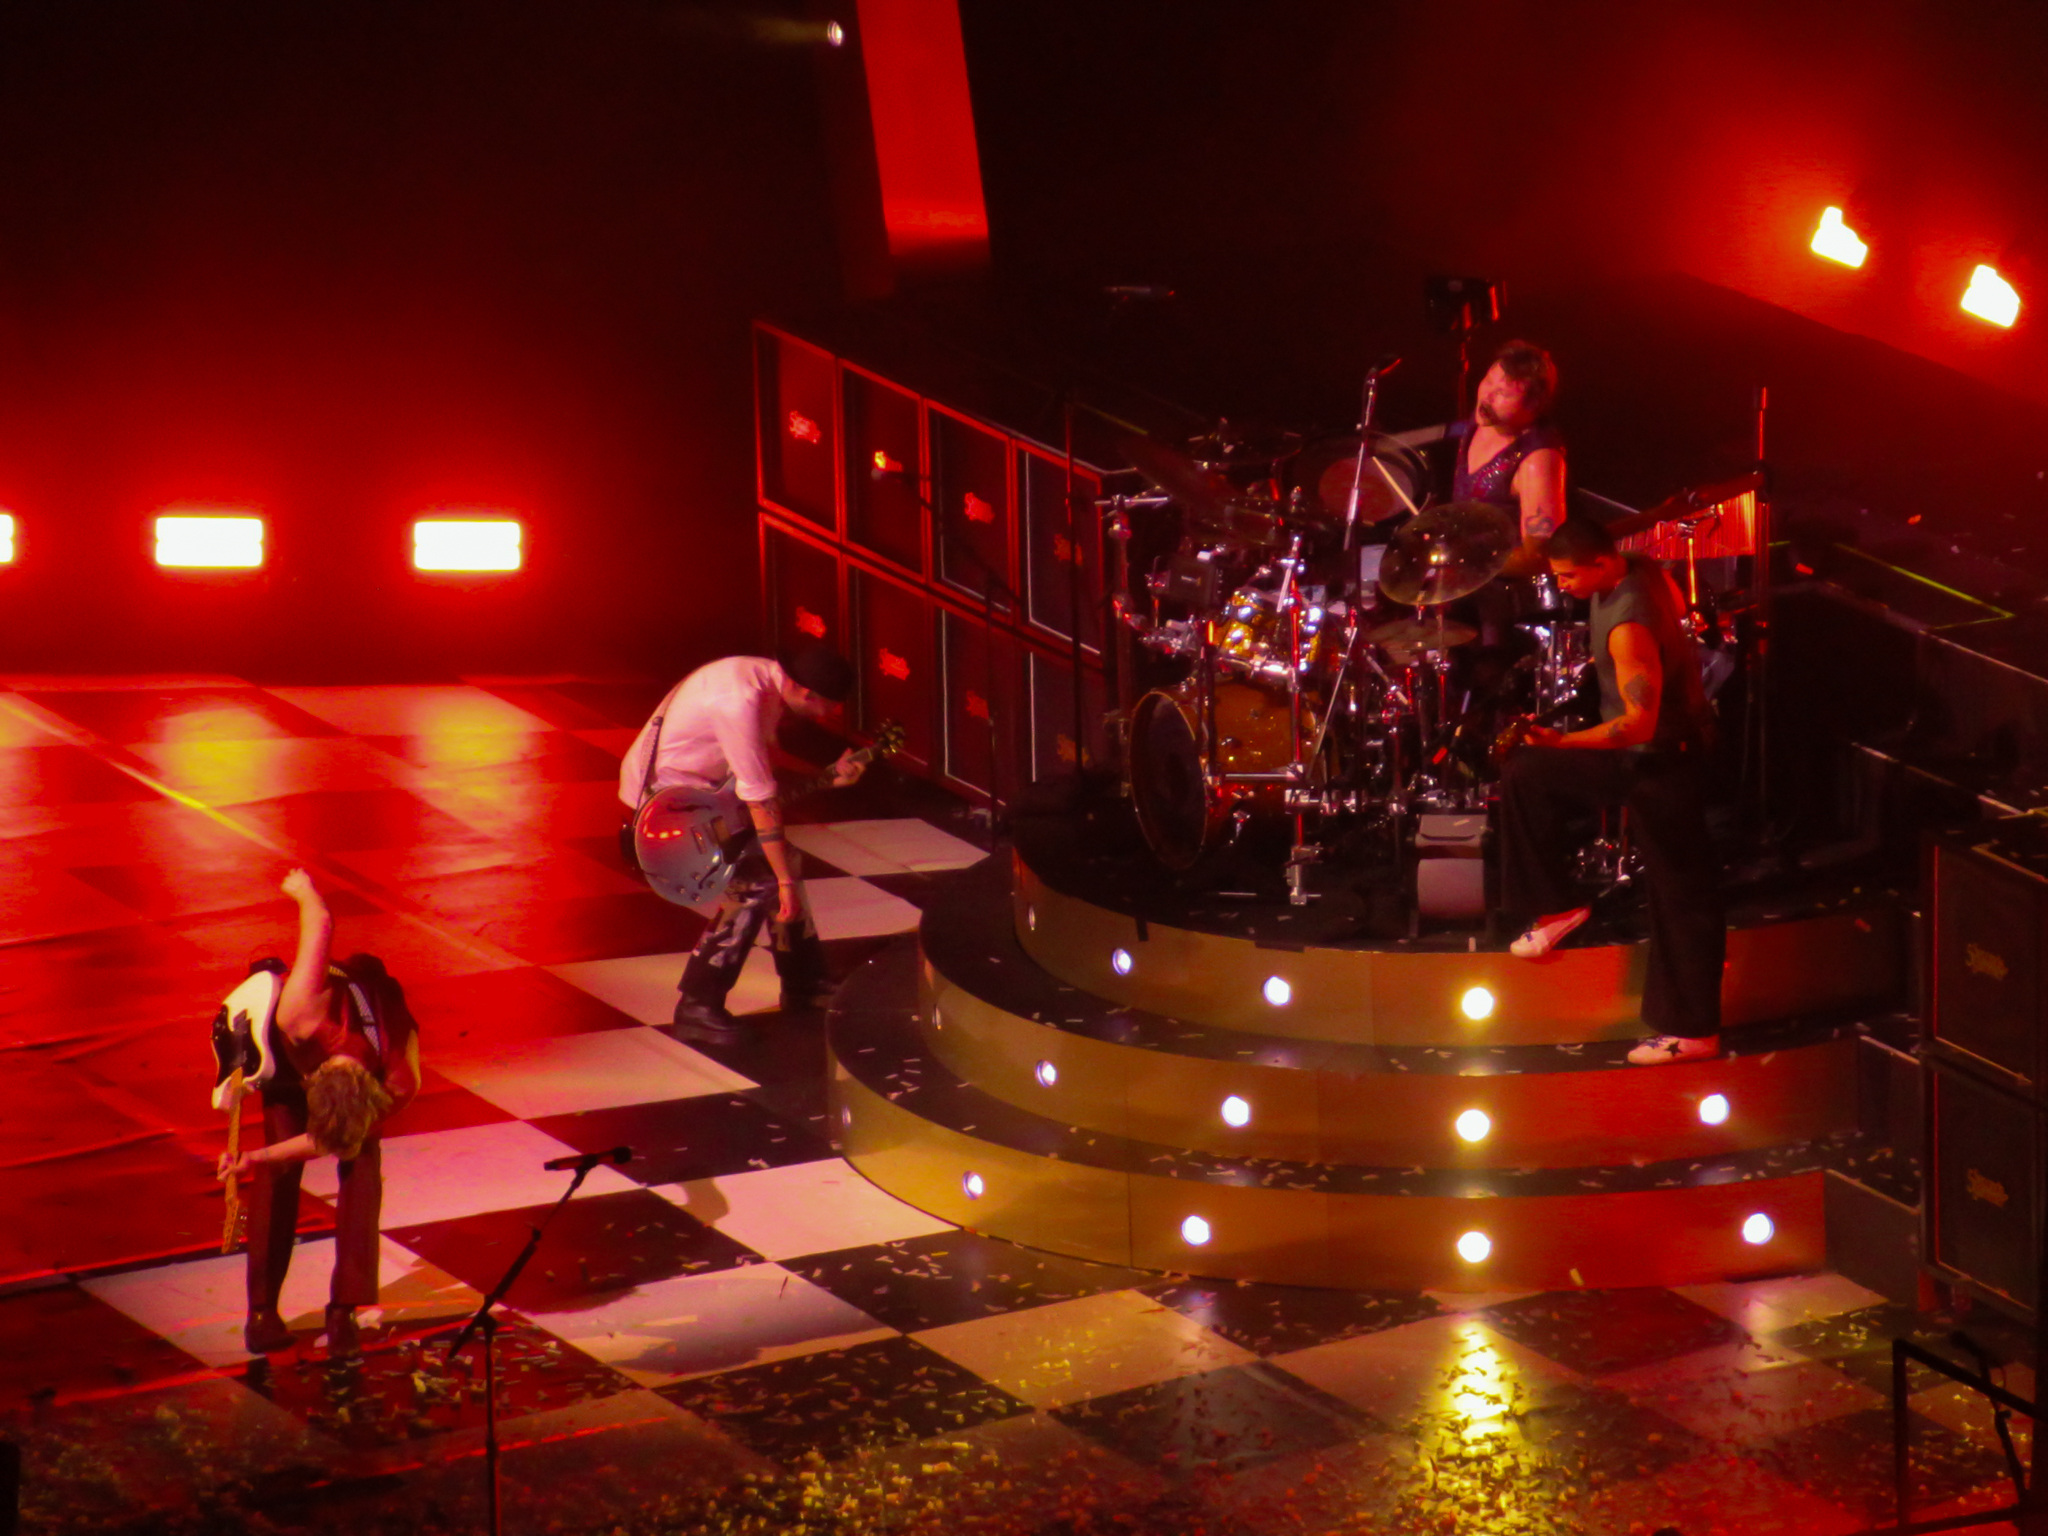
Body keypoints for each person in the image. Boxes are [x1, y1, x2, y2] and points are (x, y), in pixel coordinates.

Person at [1496, 517, 1726, 1066]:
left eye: (1569, 576)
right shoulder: (1640, 568)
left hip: (1660, 761)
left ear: (1601, 563)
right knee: (1525, 771)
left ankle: (1693, 1033)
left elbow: (1638, 724)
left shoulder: (1628, 628)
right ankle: (1558, 907)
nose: (1561, 586)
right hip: (1644, 758)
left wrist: (1566, 741)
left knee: (1682, 896)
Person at [619, 640, 865, 1042]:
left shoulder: (763, 680)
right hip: (665, 809)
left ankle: (805, 982)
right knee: (760, 883)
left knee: (784, 860)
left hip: (699, 794)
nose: (829, 716)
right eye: (829, 706)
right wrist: (784, 882)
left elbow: (758, 769)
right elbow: (761, 799)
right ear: (806, 693)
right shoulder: (740, 699)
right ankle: (698, 1004)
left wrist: (825, 778)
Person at [219, 869, 420, 1354]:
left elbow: (332, 1138)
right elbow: (320, 919)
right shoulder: (299, 1011)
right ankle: (266, 1312)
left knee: (359, 1163)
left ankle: (339, 1309)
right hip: (286, 1054)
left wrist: (255, 1158)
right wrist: (303, 891)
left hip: (356, 1072)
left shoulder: (398, 1081)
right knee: (282, 1161)